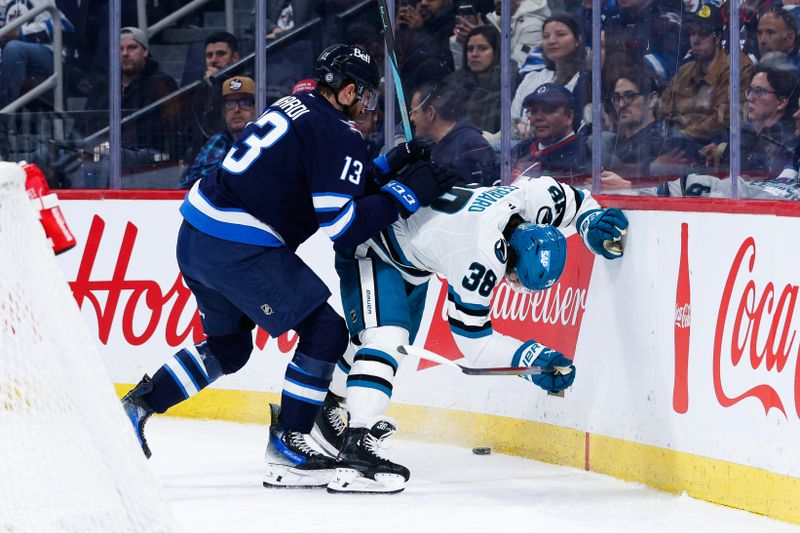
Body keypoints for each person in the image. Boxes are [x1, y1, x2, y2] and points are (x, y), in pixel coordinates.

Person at [120, 44, 458, 489]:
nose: (367, 105)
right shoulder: (338, 132)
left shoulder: (295, 104)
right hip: (238, 246)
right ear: (349, 90)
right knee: (326, 332)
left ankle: (138, 406)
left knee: (229, 348)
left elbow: (318, 172)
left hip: (198, 236)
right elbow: (342, 224)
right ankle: (289, 440)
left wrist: (387, 165)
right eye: (366, 95)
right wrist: (404, 196)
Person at [314, 174, 629, 493]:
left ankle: (324, 410)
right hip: (374, 245)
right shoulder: (481, 256)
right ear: (510, 256)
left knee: (374, 345)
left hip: (410, 255)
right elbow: (474, 346)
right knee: (385, 338)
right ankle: (355, 448)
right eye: (516, 277)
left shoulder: (524, 200)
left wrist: (591, 222)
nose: (512, 283)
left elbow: (575, 201)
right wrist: (530, 362)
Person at [657, 5, 755, 148]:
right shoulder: (685, 71)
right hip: (675, 144)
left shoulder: (737, 68)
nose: (695, 40)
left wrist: (683, 133)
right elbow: (662, 110)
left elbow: (724, 120)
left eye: (702, 33)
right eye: (692, 33)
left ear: (717, 37)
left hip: (710, 150)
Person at [84, 26, 180, 158]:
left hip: (148, 155)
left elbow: (171, 129)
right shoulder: (103, 85)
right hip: (104, 150)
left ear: (145, 51)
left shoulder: (162, 84)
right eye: (120, 49)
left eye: (132, 47)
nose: (125, 54)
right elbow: (86, 123)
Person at [698, 63, 798, 178]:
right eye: (750, 90)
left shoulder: (786, 145)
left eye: (759, 91)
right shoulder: (745, 134)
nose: (750, 97)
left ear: (781, 102)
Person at [510, 14, 590, 138]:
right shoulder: (531, 77)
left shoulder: (584, 79)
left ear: (578, 40)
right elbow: (513, 119)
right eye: (546, 36)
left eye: (560, 34)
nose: (551, 41)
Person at [409, 79, 498, 185]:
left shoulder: (470, 145)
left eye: (415, 112)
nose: (411, 118)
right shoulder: (433, 145)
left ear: (431, 113)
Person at [179, 76, 257, 189]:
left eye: (244, 102)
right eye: (230, 103)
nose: (236, 109)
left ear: (256, 108)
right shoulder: (217, 141)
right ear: (224, 112)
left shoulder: (268, 142)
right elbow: (185, 186)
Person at [0, 0, 74, 108]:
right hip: (8, 56)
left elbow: (65, 25)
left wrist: (21, 33)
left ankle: (4, 116)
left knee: (14, 49)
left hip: (48, 54)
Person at [444, 25, 515, 134]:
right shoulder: (455, 82)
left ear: (497, 51)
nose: (474, 54)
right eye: (470, 49)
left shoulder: (509, 82)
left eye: (482, 48)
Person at [511, 83, 590, 180]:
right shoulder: (521, 149)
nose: (538, 118)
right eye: (534, 111)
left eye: (548, 110)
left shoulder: (580, 155)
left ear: (569, 117)